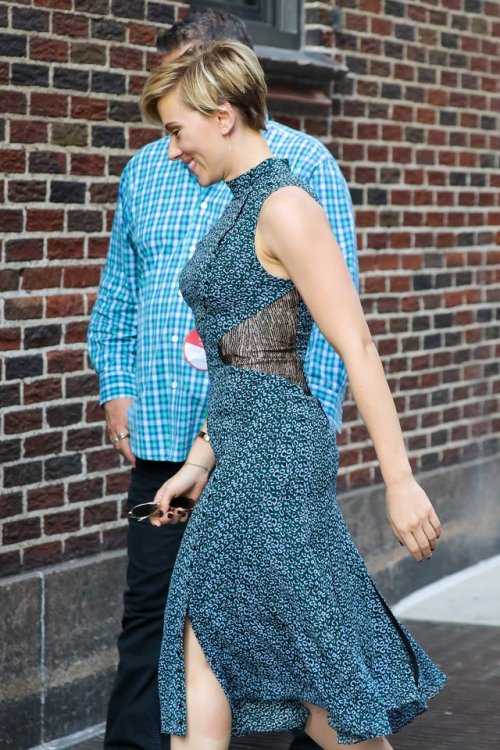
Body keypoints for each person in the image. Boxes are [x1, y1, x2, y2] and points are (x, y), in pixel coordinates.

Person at [140, 41, 446, 750]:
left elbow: (357, 346)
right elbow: (245, 356)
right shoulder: (234, 210)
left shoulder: (286, 208)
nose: (170, 149)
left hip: (279, 462)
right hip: (241, 457)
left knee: (313, 661)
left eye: (174, 129)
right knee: (221, 634)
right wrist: (198, 462)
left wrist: (399, 481)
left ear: (221, 117)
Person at [88, 8, 357, 750]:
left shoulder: (304, 169)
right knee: (157, 616)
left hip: (262, 446)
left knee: (293, 622)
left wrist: (301, 431)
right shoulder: (148, 167)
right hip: (169, 436)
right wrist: (119, 387)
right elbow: (118, 295)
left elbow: (335, 326)